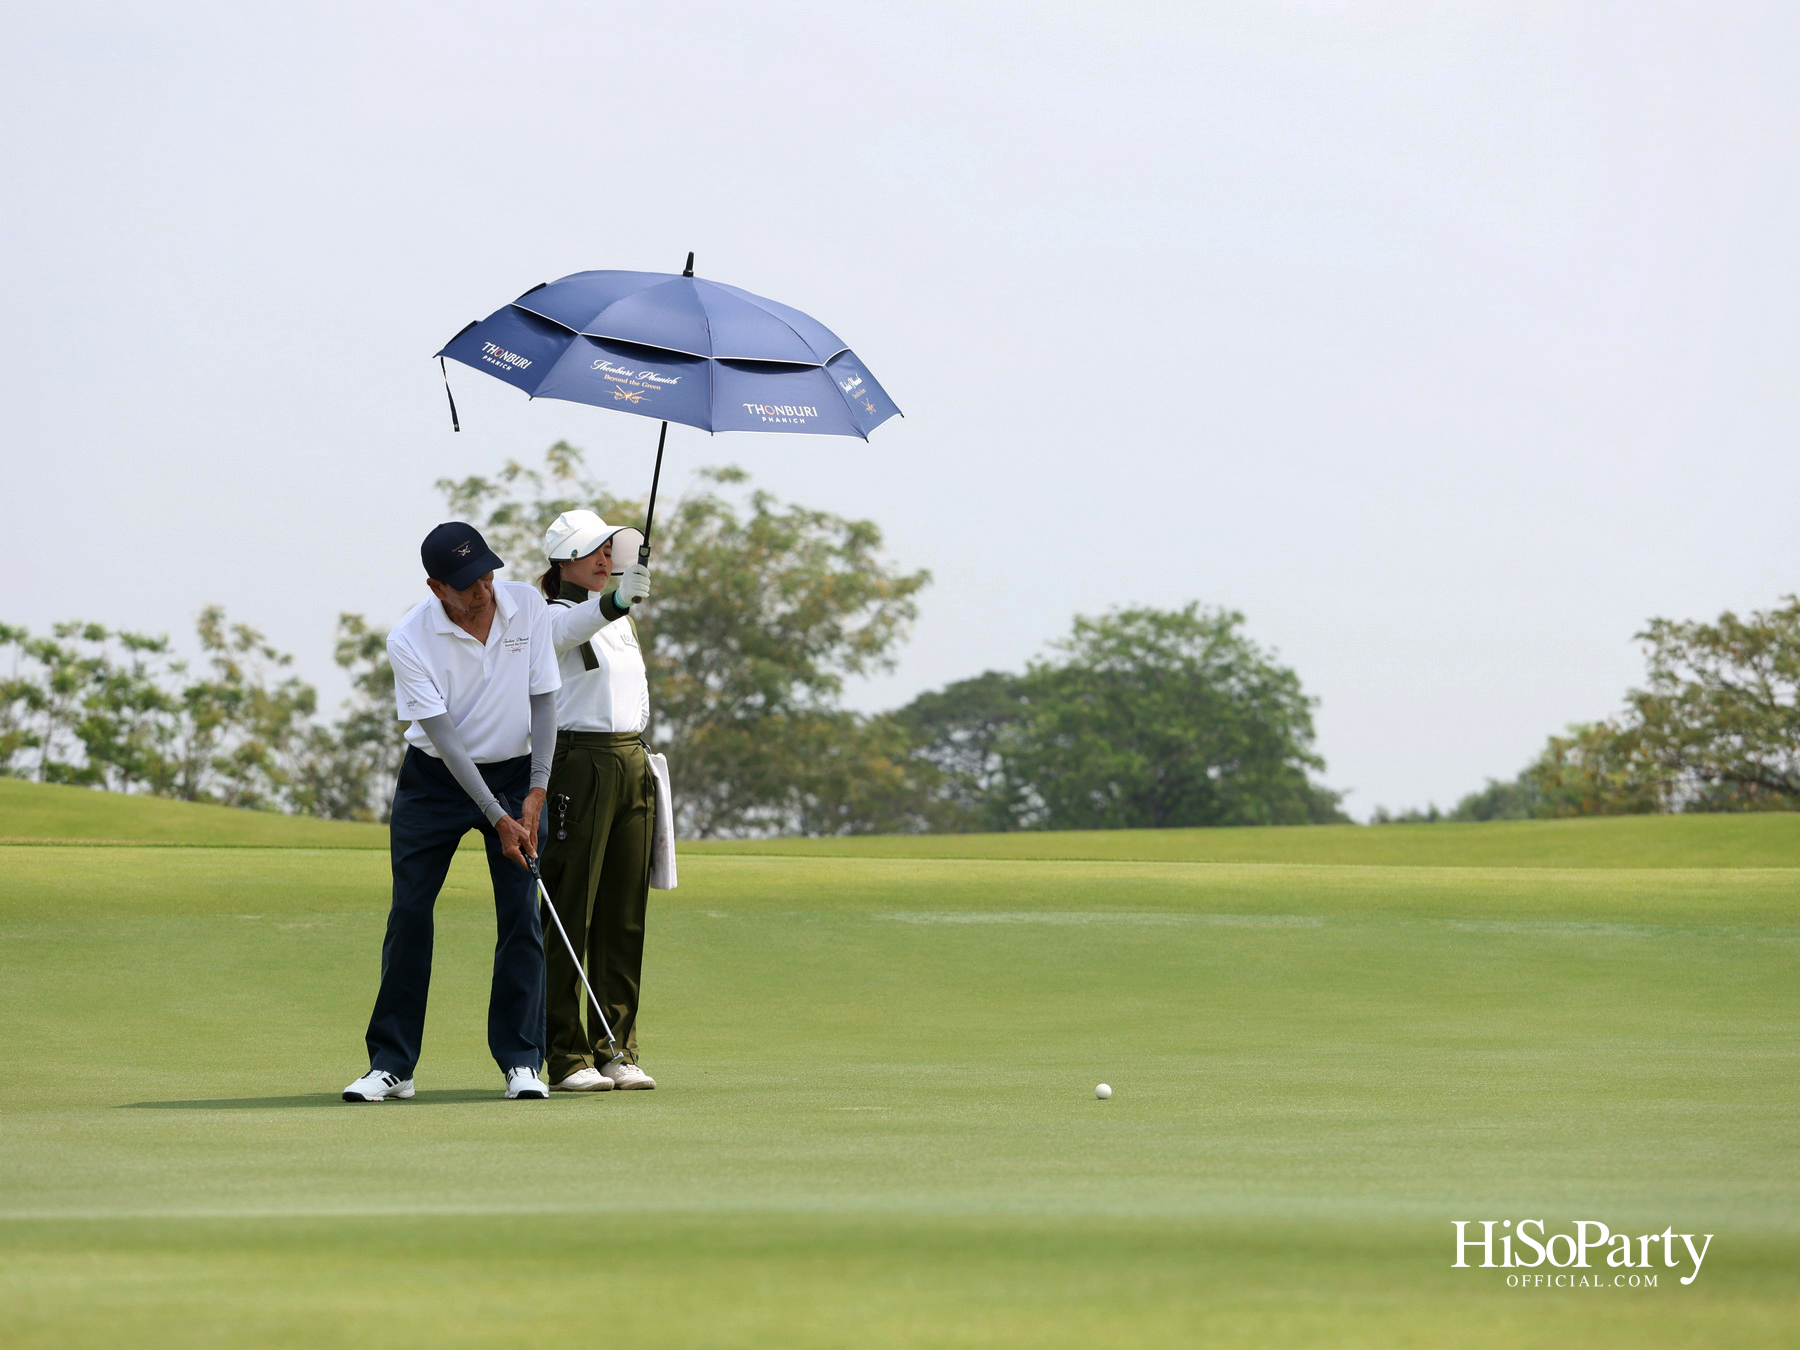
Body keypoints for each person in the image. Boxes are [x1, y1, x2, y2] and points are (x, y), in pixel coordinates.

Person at [342, 522, 562, 1103]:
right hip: (436, 780)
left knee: (521, 913)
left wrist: (536, 790)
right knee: (410, 912)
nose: (484, 590)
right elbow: (445, 738)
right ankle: (393, 1065)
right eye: (467, 584)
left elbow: (544, 698)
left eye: (488, 574)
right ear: (437, 587)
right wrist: (497, 815)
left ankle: (521, 1061)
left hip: (518, 773)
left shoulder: (528, 608)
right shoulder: (409, 637)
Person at [535, 509, 660, 1092]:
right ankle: (565, 1055)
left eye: (609, 551)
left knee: (622, 912)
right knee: (570, 909)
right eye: (594, 554)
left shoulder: (616, 618)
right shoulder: (550, 616)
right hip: (575, 763)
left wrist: (617, 605)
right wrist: (614, 602)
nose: (606, 561)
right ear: (565, 563)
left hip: (631, 758)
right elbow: (569, 630)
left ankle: (616, 1047)